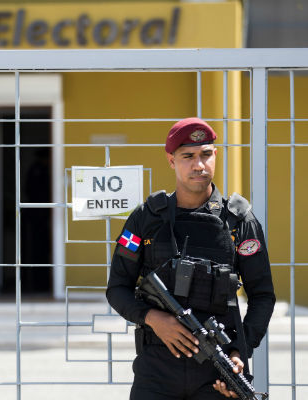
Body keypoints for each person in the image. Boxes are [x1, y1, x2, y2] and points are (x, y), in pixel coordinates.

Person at [106, 118, 276, 399]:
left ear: (215, 155)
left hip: (214, 371)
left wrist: (237, 353)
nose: (199, 165)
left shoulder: (239, 220)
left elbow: (263, 296)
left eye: (206, 155)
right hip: (156, 369)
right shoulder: (145, 218)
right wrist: (154, 318)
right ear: (171, 161)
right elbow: (117, 288)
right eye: (188, 156)